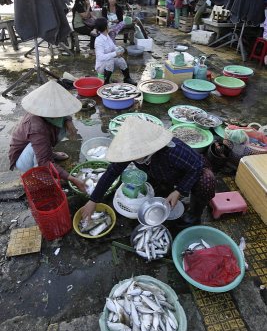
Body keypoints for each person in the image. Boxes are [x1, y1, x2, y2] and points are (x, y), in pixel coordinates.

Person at [81, 117, 216, 226]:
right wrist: (94, 200)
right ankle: (165, 189)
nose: (129, 158)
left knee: (206, 180)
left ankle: (194, 214)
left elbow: (197, 166)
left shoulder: (173, 150)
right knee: (157, 188)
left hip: (189, 171)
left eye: (134, 154)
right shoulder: (132, 152)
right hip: (162, 172)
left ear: (147, 149)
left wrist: (179, 191)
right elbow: (111, 172)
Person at [9, 81, 86, 193]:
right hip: (22, 157)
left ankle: (49, 155)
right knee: (42, 158)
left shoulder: (49, 111)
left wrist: (69, 121)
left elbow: (64, 112)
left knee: (62, 127)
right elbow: (44, 162)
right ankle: (40, 177)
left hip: (38, 147)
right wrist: (71, 178)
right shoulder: (37, 127)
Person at [94, 17, 136, 85]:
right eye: (107, 25)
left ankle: (127, 78)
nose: (109, 26)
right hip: (101, 67)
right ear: (105, 27)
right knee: (110, 61)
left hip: (109, 65)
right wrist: (115, 53)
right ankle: (106, 82)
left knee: (121, 60)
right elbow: (100, 57)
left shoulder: (107, 36)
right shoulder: (99, 40)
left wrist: (119, 49)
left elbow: (113, 47)